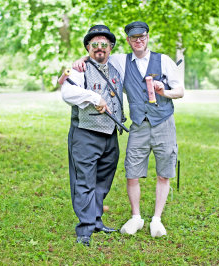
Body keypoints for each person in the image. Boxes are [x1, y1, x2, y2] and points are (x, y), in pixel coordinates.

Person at [73, 21, 184, 238]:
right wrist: (80, 60)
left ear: (148, 36)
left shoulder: (164, 60)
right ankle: (136, 217)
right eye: (134, 38)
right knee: (132, 173)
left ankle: (157, 220)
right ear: (128, 40)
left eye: (142, 36)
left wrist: (165, 92)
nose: (139, 41)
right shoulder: (121, 60)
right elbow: (98, 52)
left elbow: (180, 90)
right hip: (139, 125)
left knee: (164, 172)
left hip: (163, 122)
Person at [60, 25, 125, 246]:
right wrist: (95, 98)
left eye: (104, 44)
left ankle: (96, 221)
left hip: (110, 135)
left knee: (102, 182)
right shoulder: (79, 70)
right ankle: (85, 229)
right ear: (88, 47)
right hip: (86, 134)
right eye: (94, 44)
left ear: (111, 48)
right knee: (85, 181)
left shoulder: (116, 66)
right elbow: (67, 93)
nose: (100, 48)